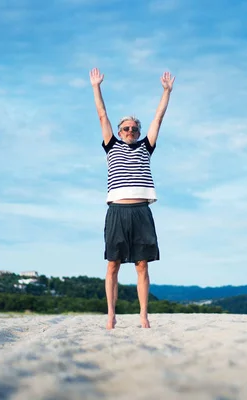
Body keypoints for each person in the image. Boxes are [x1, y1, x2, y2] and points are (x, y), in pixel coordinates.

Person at [89, 67, 175, 330]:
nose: (130, 132)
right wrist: (96, 87)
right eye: (126, 128)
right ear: (119, 130)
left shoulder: (145, 147)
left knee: (142, 266)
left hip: (141, 211)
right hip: (116, 211)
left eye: (134, 129)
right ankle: (111, 316)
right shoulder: (111, 145)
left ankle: (143, 316)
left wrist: (166, 92)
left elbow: (158, 119)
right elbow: (102, 114)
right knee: (112, 265)